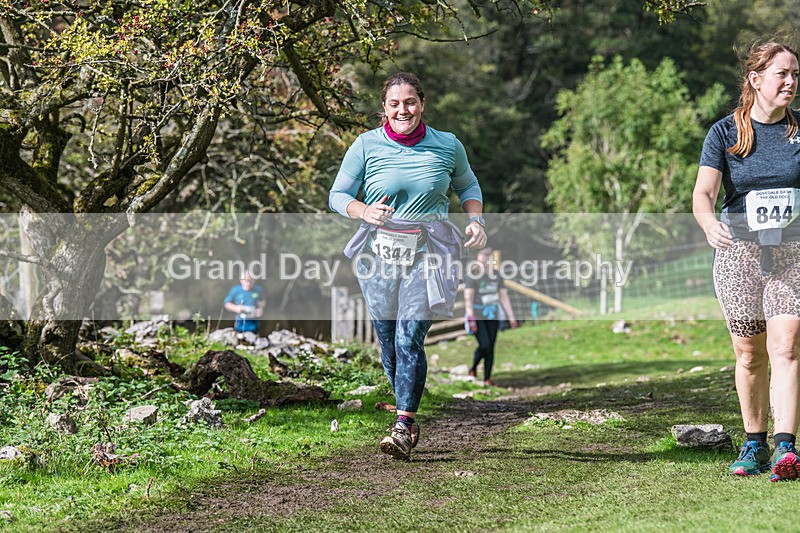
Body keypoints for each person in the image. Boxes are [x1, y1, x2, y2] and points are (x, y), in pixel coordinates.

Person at [329, 72, 487, 460]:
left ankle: (401, 425)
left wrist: (476, 220)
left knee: (408, 337)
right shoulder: (366, 145)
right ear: (384, 108)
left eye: (410, 101)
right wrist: (363, 209)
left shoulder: (447, 145)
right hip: (378, 256)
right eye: (395, 103)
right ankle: (409, 416)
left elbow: (469, 187)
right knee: (388, 347)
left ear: (422, 103)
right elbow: (337, 195)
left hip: (429, 254)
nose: (404, 109)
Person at [693, 40, 800, 481]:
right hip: (739, 254)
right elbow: (703, 194)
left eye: (795, 74)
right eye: (782, 74)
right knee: (749, 353)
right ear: (756, 80)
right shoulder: (724, 133)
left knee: (786, 346)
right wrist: (706, 223)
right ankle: (754, 443)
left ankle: (786, 448)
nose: (791, 82)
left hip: (793, 252)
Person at [464, 247, 518, 386]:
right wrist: (470, 319)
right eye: (483, 258)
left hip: (493, 313)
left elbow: (503, 296)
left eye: (488, 258)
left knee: (491, 346)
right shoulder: (472, 275)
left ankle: (487, 378)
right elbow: (468, 299)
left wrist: (511, 316)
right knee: (485, 345)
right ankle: (473, 368)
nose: (485, 261)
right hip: (477, 314)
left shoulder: (497, 275)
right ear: (478, 258)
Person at [223, 271, 265, 336]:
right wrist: (236, 308)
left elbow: (262, 301)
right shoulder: (236, 290)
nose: (248, 283)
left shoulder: (258, 289)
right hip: (239, 325)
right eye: (246, 281)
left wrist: (260, 309)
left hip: (254, 325)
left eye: (250, 281)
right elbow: (227, 304)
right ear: (241, 280)